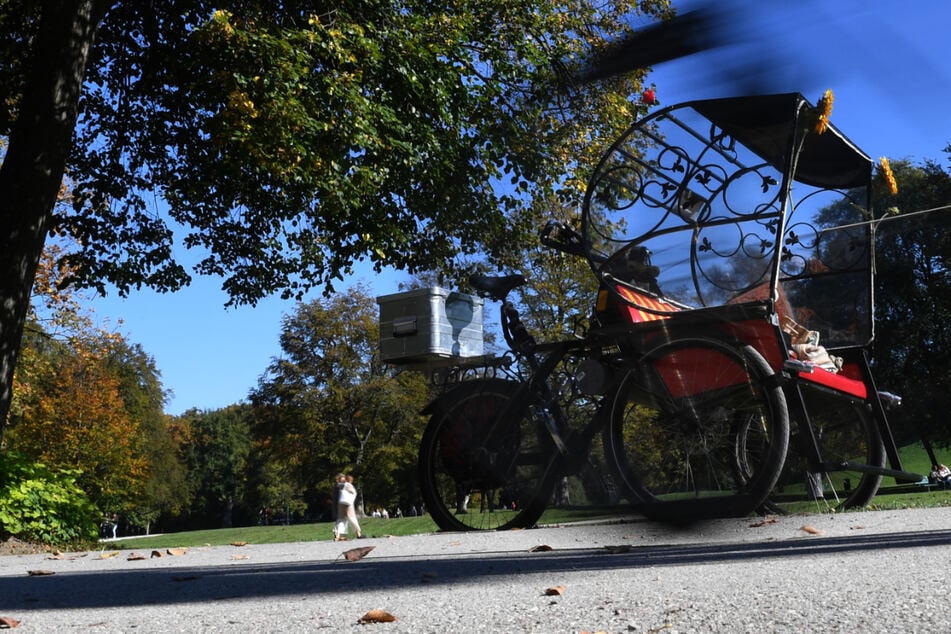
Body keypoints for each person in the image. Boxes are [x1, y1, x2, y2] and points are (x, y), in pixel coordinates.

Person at [333, 474, 362, 540]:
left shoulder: (339, 486)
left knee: (341, 519)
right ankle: (358, 534)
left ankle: (337, 535)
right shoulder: (348, 485)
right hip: (348, 504)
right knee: (352, 518)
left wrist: (338, 481)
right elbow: (354, 493)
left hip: (341, 504)